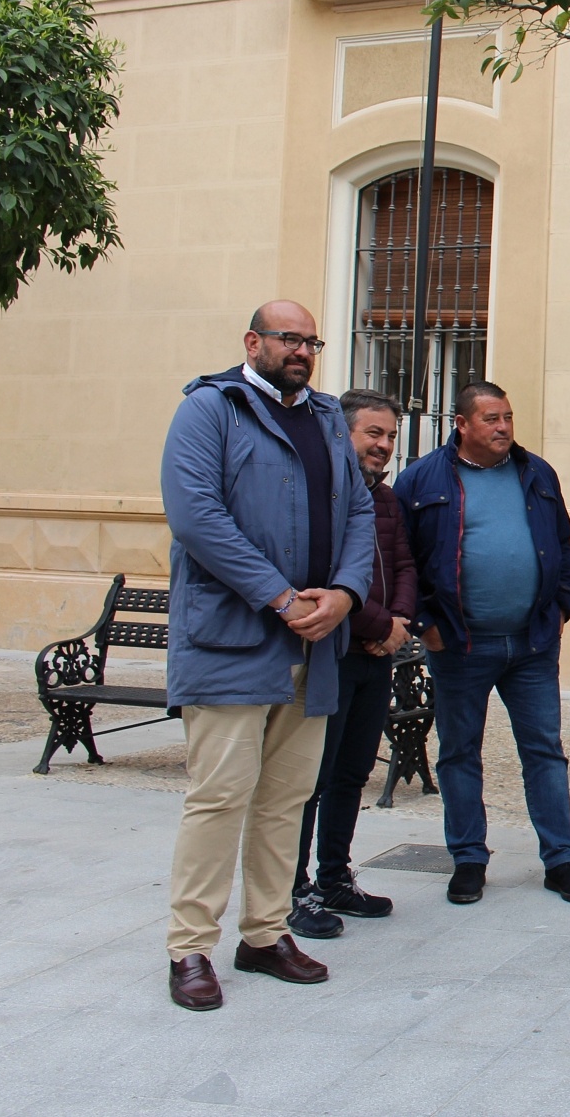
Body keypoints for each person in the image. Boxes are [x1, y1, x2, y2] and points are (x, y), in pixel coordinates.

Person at [158, 301, 375, 1011]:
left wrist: (343, 593)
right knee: (219, 797)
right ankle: (190, 946)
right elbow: (196, 516)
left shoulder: (322, 420)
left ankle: (264, 932)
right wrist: (281, 598)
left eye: (312, 340)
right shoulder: (209, 409)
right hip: (233, 639)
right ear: (253, 342)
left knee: (285, 799)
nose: (303, 351)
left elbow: (360, 513)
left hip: (316, 644)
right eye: (290, 338)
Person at [395, 381, 570, 907]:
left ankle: (561, 860)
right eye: (490, 418)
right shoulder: (423, 479)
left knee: (545, 753)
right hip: (459, 645)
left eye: (507, 416)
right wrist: (423, 623)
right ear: (461, 424)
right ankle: (468, 860)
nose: (503, 427)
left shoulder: (537, 473)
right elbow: (398, 559)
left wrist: (561, 606)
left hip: (531, 644)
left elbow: (563, 544)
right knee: (460, 754)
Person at [288, 390, 419, 939]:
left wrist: (399, 624)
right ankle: (291, 891)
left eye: (390, 436)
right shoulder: (323, 494)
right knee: (306, 780)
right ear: (344, 434)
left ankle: (335, 876)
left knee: (351, 774)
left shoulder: (385, 499)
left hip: (375, 657)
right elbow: (323, 579)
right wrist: (377, 626)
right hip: (330, 656)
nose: (385, 446)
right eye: (374, 434)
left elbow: (406, 564)